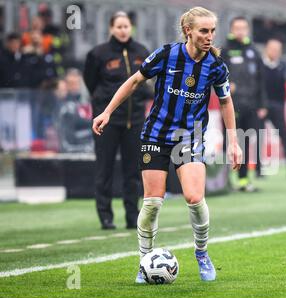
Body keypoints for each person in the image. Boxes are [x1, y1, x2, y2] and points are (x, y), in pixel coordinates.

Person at [92, 7, 242, 282]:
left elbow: (225, 101)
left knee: (195, 198)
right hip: (156, 135)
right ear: (188, 31)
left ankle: (202, 253)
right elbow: (135, 81)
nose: (209, 37)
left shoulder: (216, 66)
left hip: (189, 137)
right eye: (203, 31)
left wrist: (234, 141)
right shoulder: (166, 54)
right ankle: (145, 261)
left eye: (212, 31)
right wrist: (107, 111)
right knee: (152, 203)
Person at [83, 11, 151, 230]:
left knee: (133, 171)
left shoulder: (142, 51)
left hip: (136, 120)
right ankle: (105, 216)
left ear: (131, 27)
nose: (123, 30)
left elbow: (147, 82)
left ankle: (133, 216)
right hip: (108, 122)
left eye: (126, 26)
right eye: (119, 26)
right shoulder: (98, 54)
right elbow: (91, 83)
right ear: (111, 28)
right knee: (105, 169)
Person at [222, 16, 267, 192]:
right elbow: (216, 75)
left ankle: (243, 181)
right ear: (232, 30)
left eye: (243, 28)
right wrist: (227, 85)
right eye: (237, 28)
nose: (240, 31)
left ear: (247, 30)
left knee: (247, 142)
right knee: (231, 142)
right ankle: (225, 180)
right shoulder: (225, 51)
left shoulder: (253, 52)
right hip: (231, 106)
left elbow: (261, 79)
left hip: (251, 105)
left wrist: (263, 105)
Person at [261, 38, 286, 178]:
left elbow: (283, 88)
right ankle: (259, 171)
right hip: (263, 106)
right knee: (259, 137)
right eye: (273, 49)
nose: (275, 52)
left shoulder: (281, 66)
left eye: (278, 50)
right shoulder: (260, 65)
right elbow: (259, 87)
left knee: (285, 137)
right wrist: (261, 105)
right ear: (267, 49)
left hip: (277, 106)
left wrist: (283, 105)